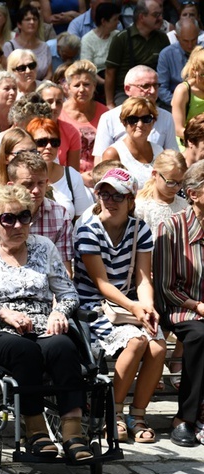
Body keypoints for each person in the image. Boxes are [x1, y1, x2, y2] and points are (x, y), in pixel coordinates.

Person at [0, 183, 93, 463]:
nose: (18, 224)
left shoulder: (44, 247)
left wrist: (58, 313)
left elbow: (68, 294)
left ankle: (73, 433)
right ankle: (36, 431)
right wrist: (1, 312)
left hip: (43, 326)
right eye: (8, 218)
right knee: (24, 352)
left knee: (64, 347)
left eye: (24, 216)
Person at [75, 167, 165, 444]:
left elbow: (142, 278)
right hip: (93, 305)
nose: (110, 200)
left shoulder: (140, 230)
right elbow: (102, 284)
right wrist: (136, 308)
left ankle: (137, 415)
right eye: (104, 193)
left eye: (118, 195)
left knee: (158, 346)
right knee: (137, 341)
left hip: (128, 304)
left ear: (131, 199)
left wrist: (147, 307)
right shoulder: (88, 230)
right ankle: (112, 413)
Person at [154, 160, 204, 447]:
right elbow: (165, 287)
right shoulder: (171, 228)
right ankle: (184, 418)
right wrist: (197, 306)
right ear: (193, 194)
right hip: (179, 307)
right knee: (199, 335)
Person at [0, 149, 74, 272]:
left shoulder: (60, 215)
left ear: (47, 183)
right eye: (28, 184)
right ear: (11, 186)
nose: (36, 190)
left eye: (41, 183)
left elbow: (65, 270)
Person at [92, 65, 179, 165]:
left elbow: (172, 158)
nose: (153, 91)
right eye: (145, 86)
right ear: (127, 89)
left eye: (155, 85)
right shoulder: (108, 118)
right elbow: (100, 163)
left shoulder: (166, 117)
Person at [104, 0, 169, 107]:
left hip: (155, 91)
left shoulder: (162, 38)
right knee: (134, 111)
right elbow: (110, 72)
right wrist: (109, 103)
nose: (160, 19)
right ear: (142, 17)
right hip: (127, 92)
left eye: (161, 14)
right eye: (155, 15)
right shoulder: (122, 38)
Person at [26, 117, 92, 220]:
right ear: (29, 143)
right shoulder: (20, 176)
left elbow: (83, 219)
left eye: (54, 142)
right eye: (41, 142)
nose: (49, 146)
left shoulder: (71, 175)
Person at [59, 59, 107, 174]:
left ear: (94, 86)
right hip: (66, 175)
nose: (82, 90)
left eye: (86, 84)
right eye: (76, 85)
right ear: (68, 87)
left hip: (98, 175)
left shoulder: (105, 114)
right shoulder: (59, 114)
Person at [101, 97, 161, 186]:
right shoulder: (113, 153)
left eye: (146, 119)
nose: (140, 124)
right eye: (133, 120)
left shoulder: (159, 151)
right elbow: (111, 191)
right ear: (123, 122)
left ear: (153, 121)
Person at [135, 149, 188, 241]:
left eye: (180, 183)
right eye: (170, 182)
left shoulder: (184, 206)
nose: (176, 188)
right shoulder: (141, 206)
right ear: (155, 174)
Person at [37, 80, 81, 171]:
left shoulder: (71, 131)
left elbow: (73, 172)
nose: (54, 107)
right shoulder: (27, 128)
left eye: (58, 102)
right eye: (49, 102)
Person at [157, 18, 199, 111]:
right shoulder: (166, 55)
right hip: (173, 104)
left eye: (193, 40)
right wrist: (179, 102)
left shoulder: (202, 51)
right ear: (177, 37)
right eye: (185, 41)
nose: (190, 45)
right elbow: (162, 89)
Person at [79, 1, 120, 93]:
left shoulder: (118, 36)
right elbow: (87, 68)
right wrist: (105, 82)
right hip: (98, 80)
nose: (118, 22)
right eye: (115, 19)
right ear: (104, 21)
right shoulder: (87, 40)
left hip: (116, 76)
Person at [5, 5, 52, 81]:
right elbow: (6, 73)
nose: (32, 22)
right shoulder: (9, 46)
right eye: (27, 19)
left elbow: (49, 73)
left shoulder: (45, 46)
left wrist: (40, 87)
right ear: (19, 25)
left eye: (35, 19)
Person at [172, 46, 204, 141]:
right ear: (194, 71)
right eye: (203, 74)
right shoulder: (183, 90)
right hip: (188, 142)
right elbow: (178, 129)